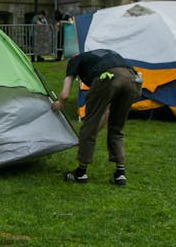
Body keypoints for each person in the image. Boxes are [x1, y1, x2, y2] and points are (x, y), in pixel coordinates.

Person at [51, 49, 142, 187]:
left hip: (107, 78)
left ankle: (81, 173)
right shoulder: (102, 55)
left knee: (89, 125)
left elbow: (64, 95)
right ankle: (120, 174)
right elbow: (106, 109)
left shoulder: (75, 61)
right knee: (117, 128)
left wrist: (59, 104)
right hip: (132, 79)